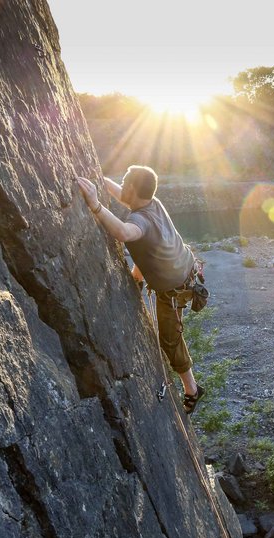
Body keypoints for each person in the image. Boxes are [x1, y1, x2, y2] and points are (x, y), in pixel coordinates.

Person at [74, 165, 204, 414]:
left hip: (174, 290)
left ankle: (192, 390)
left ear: (133, 189)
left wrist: (95, 205)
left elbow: (124, 233)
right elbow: (149, 245)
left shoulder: (140, 220)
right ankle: (138, 275)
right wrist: (98, 177)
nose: (121, 186)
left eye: (125, 182)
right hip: (184, 267)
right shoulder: (152, 202)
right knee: (147, 250)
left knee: (170, 340)